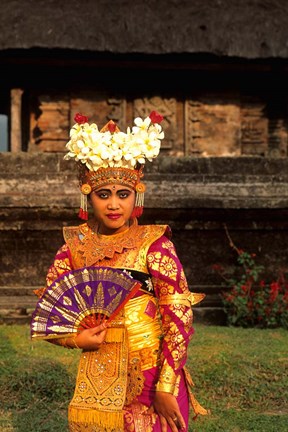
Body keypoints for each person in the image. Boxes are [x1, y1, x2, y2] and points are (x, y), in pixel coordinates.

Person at [31, 111, 208, 432]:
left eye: (123, 195)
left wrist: (167, 386)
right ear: (88, 197)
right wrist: (76, 339)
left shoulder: (154, 244)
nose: (114, 205)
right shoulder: (72, 247)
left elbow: (179, 318)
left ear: (135, 195)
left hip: (153, 371)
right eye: (104, 195)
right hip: (99, 371)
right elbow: (50, 315)